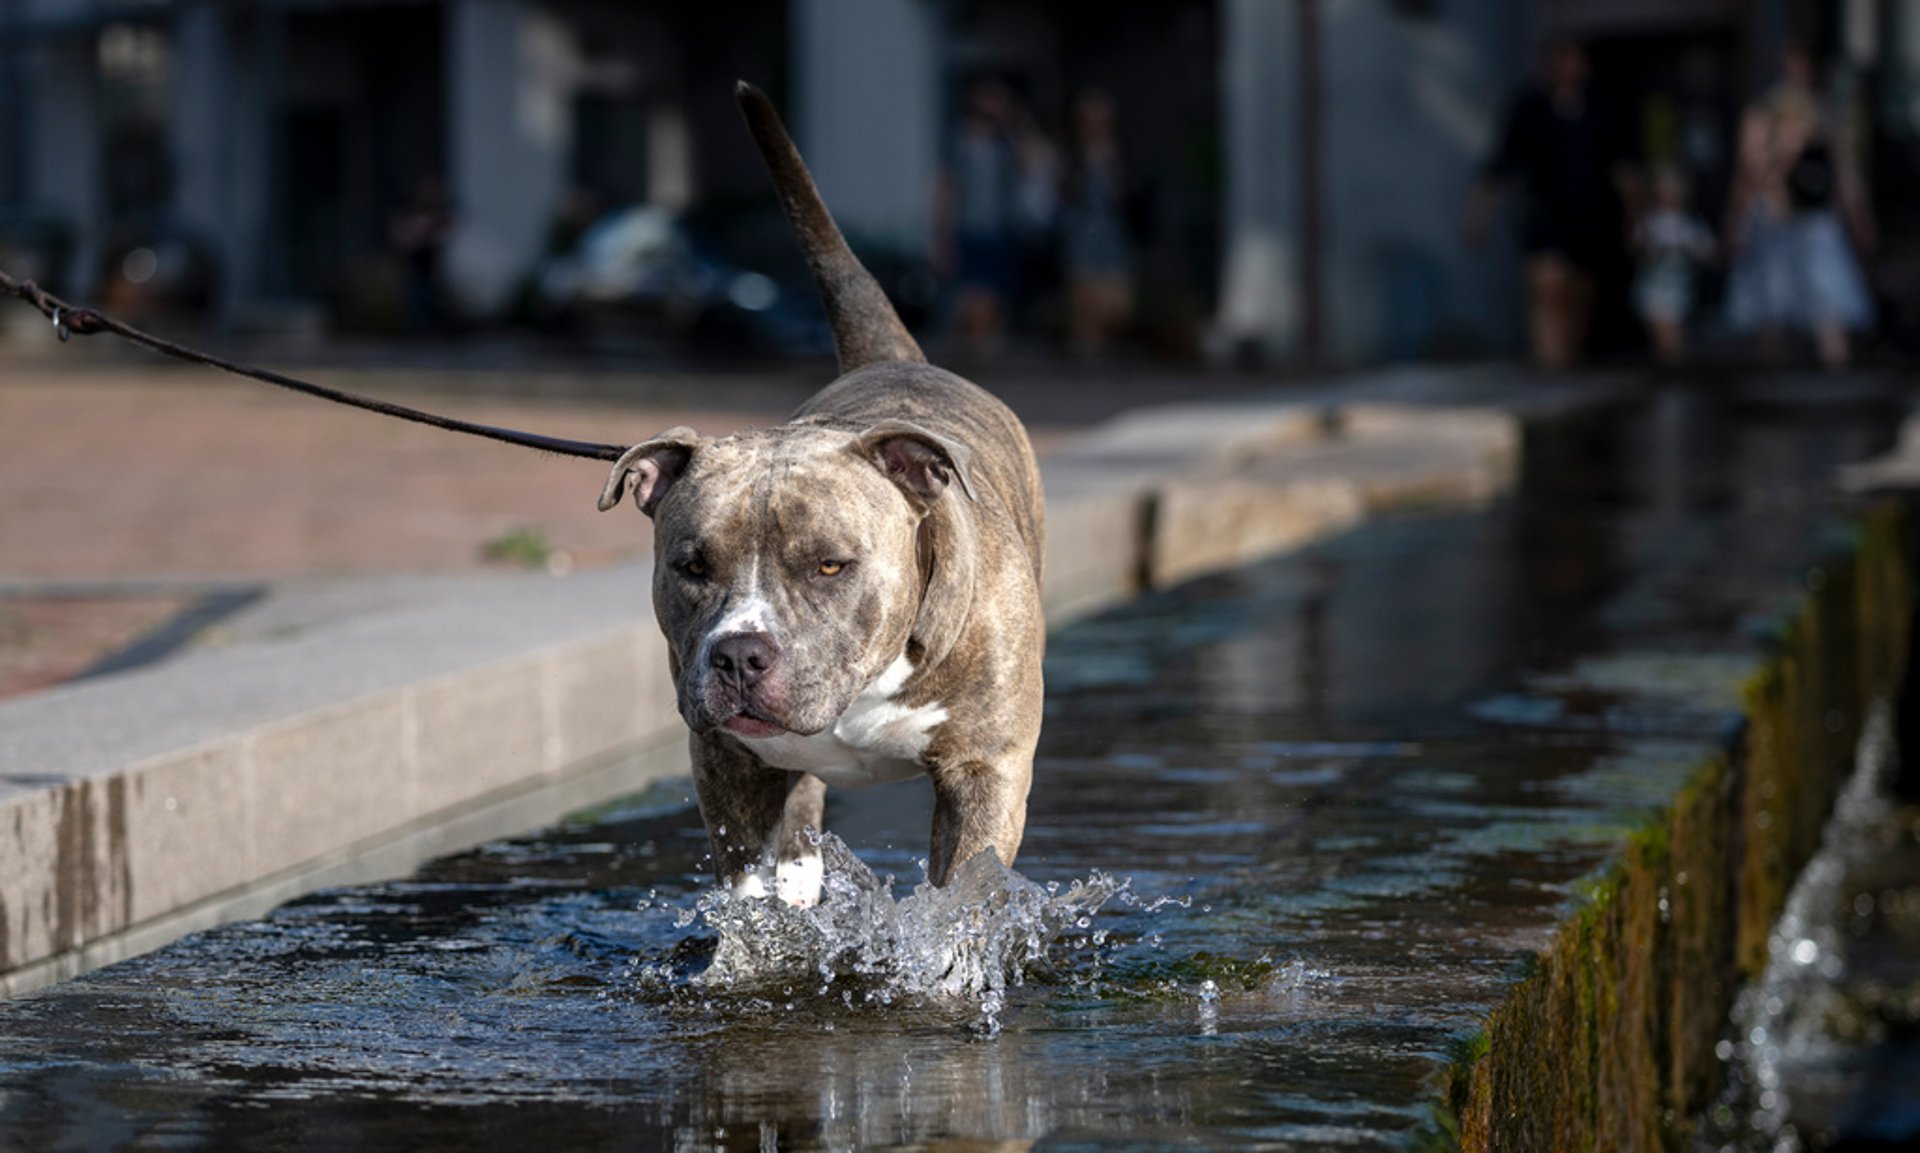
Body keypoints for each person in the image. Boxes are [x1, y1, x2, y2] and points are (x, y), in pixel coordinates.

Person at [1463, 39, 1638, 369]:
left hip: (1592, 221)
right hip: (1545, 217)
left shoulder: (1602, 108)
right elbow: (1500, 165)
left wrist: (1635, 219)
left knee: (1578, 299)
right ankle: (1550, 367)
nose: (1566, 67)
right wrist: (1477, 216)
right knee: (1546, 288)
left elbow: (1624, 170)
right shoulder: (1530, 107)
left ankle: (1567, 364)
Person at [1724, 47, 1875, 368]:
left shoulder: (1824, 113)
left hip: (1814, 219)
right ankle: (1775, 367)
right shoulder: (1762, 114)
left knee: (1826, 294)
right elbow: (1750, 172)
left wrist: (1858, 215)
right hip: (1773, 218)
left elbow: (1843, 172)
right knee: (1770, 296)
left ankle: (1833, 364)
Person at [934, 78, 1021, 356]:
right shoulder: (961, 140)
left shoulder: (1006, 142)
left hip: (999, 229)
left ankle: (979, 351)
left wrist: (1016, 124)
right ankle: (965, 352)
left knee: (991, 297)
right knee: (968, 297)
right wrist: (942, 234)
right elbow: (948, 187)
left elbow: (1035, 163)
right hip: (967, 227)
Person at [1060, 88, 1135, 356]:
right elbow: (1062, 190)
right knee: (1084, 292)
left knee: (1117, 301)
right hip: (1082, 226)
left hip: (1111, 227)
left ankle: (1101, 340)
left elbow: (1130, 192)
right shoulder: (1072, 152)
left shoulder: (1120, 150)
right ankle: (1087, 348)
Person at [1632, 166, 1716, 365]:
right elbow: (1637, 250)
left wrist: (1689, 249)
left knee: (1674, 340)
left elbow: (1710, 253)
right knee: (1665, 338)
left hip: (1681, 289)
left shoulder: (1691, 223)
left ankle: (1673, 378)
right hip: (1654, 288)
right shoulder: (1650, 221)